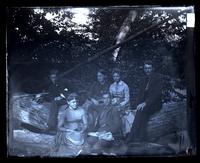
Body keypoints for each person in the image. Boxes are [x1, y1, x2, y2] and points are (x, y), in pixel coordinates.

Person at [127, 60, 162, 143]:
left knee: (141, 111)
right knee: (142, 113)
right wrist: (137, 104)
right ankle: (141, 137)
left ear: (152, 68)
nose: (147, 70)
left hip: (154, 103)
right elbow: (140, 94)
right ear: (144, 69)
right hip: (145, 104)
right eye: (146, 68)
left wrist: (145, 103)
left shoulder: (158, 78)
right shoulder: (143, 79)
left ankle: (132, 136)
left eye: (149, 68)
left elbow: (156, 94)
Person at [43, 69, 68, 135]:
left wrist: (61, 97)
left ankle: (51, 126)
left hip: (67, 100)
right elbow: (50, 95)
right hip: (58, 101)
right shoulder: (51, 86)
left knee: (54, 103)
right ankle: (51, 126)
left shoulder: (63, 83)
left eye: (55, 77)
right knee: (53, 102)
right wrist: (42, 96)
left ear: (58, 77)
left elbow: (69, 91)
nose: (53, 79)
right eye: (52, 78)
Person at [109, 68, 130, 136]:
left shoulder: (125, 86)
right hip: (114, 104)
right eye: (114, 76)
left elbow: (127, 99)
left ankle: (124, 133)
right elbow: (110, 97)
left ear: (120, 76)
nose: (115, 78)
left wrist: (120, 104)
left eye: (117, 76)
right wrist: (112, 102)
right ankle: (111, 132)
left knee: (120, 115)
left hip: (124, 105)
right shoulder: (111, 86)